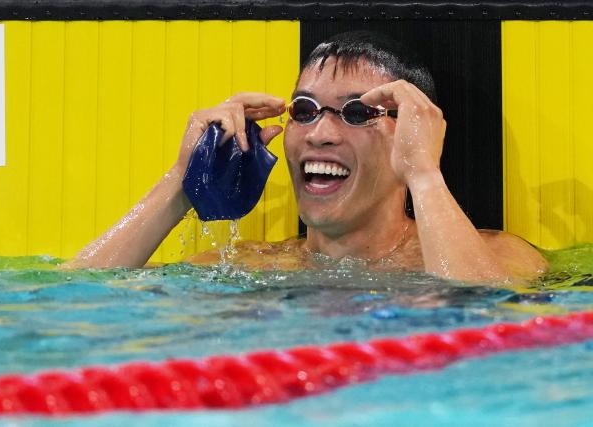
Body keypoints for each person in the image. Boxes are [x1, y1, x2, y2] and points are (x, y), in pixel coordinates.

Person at [64, 31, 547, 282]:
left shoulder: (498, 254)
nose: (319, 133)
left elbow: (485, 313)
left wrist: (423, 173)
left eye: (357, 112)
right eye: (305, 109)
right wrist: (183, 180)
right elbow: (71, 301)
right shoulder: (251, 267)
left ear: (411, 132)